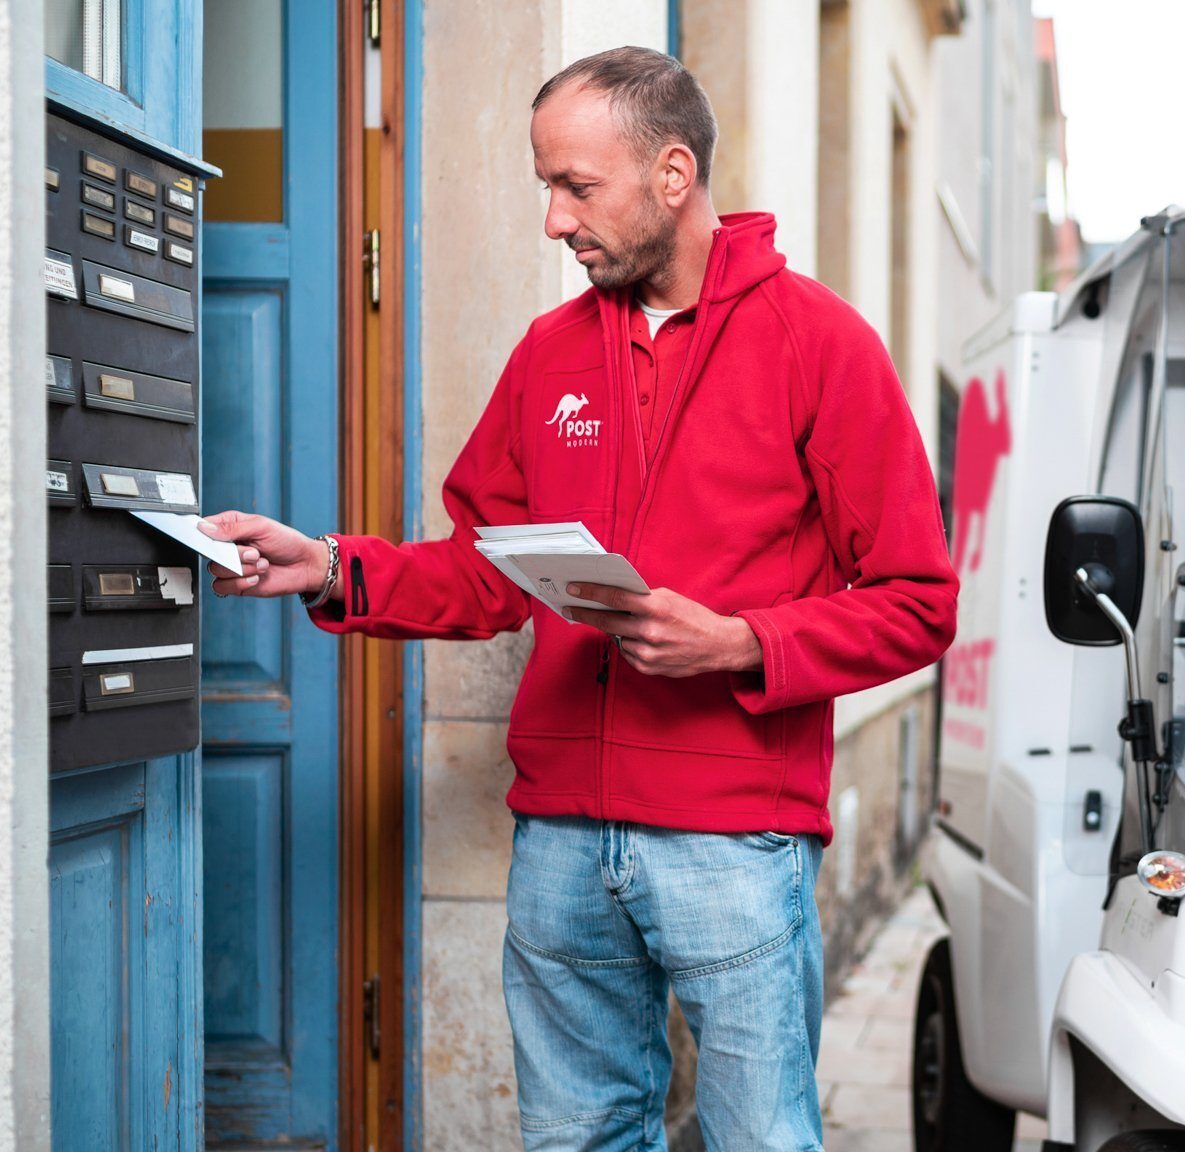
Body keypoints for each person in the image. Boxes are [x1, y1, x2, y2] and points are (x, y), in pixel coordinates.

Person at [200, 46, 957, 1152]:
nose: (554, 221)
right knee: (575, 1142)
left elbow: (917, 599)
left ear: (673, 174)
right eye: (544, 185)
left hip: (733, 842)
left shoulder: (821, 345)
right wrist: (329, 565)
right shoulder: (549, 354)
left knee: (763, 1141)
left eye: (576, 187)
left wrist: (743, 643)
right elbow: (482, 568)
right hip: (561, 842)